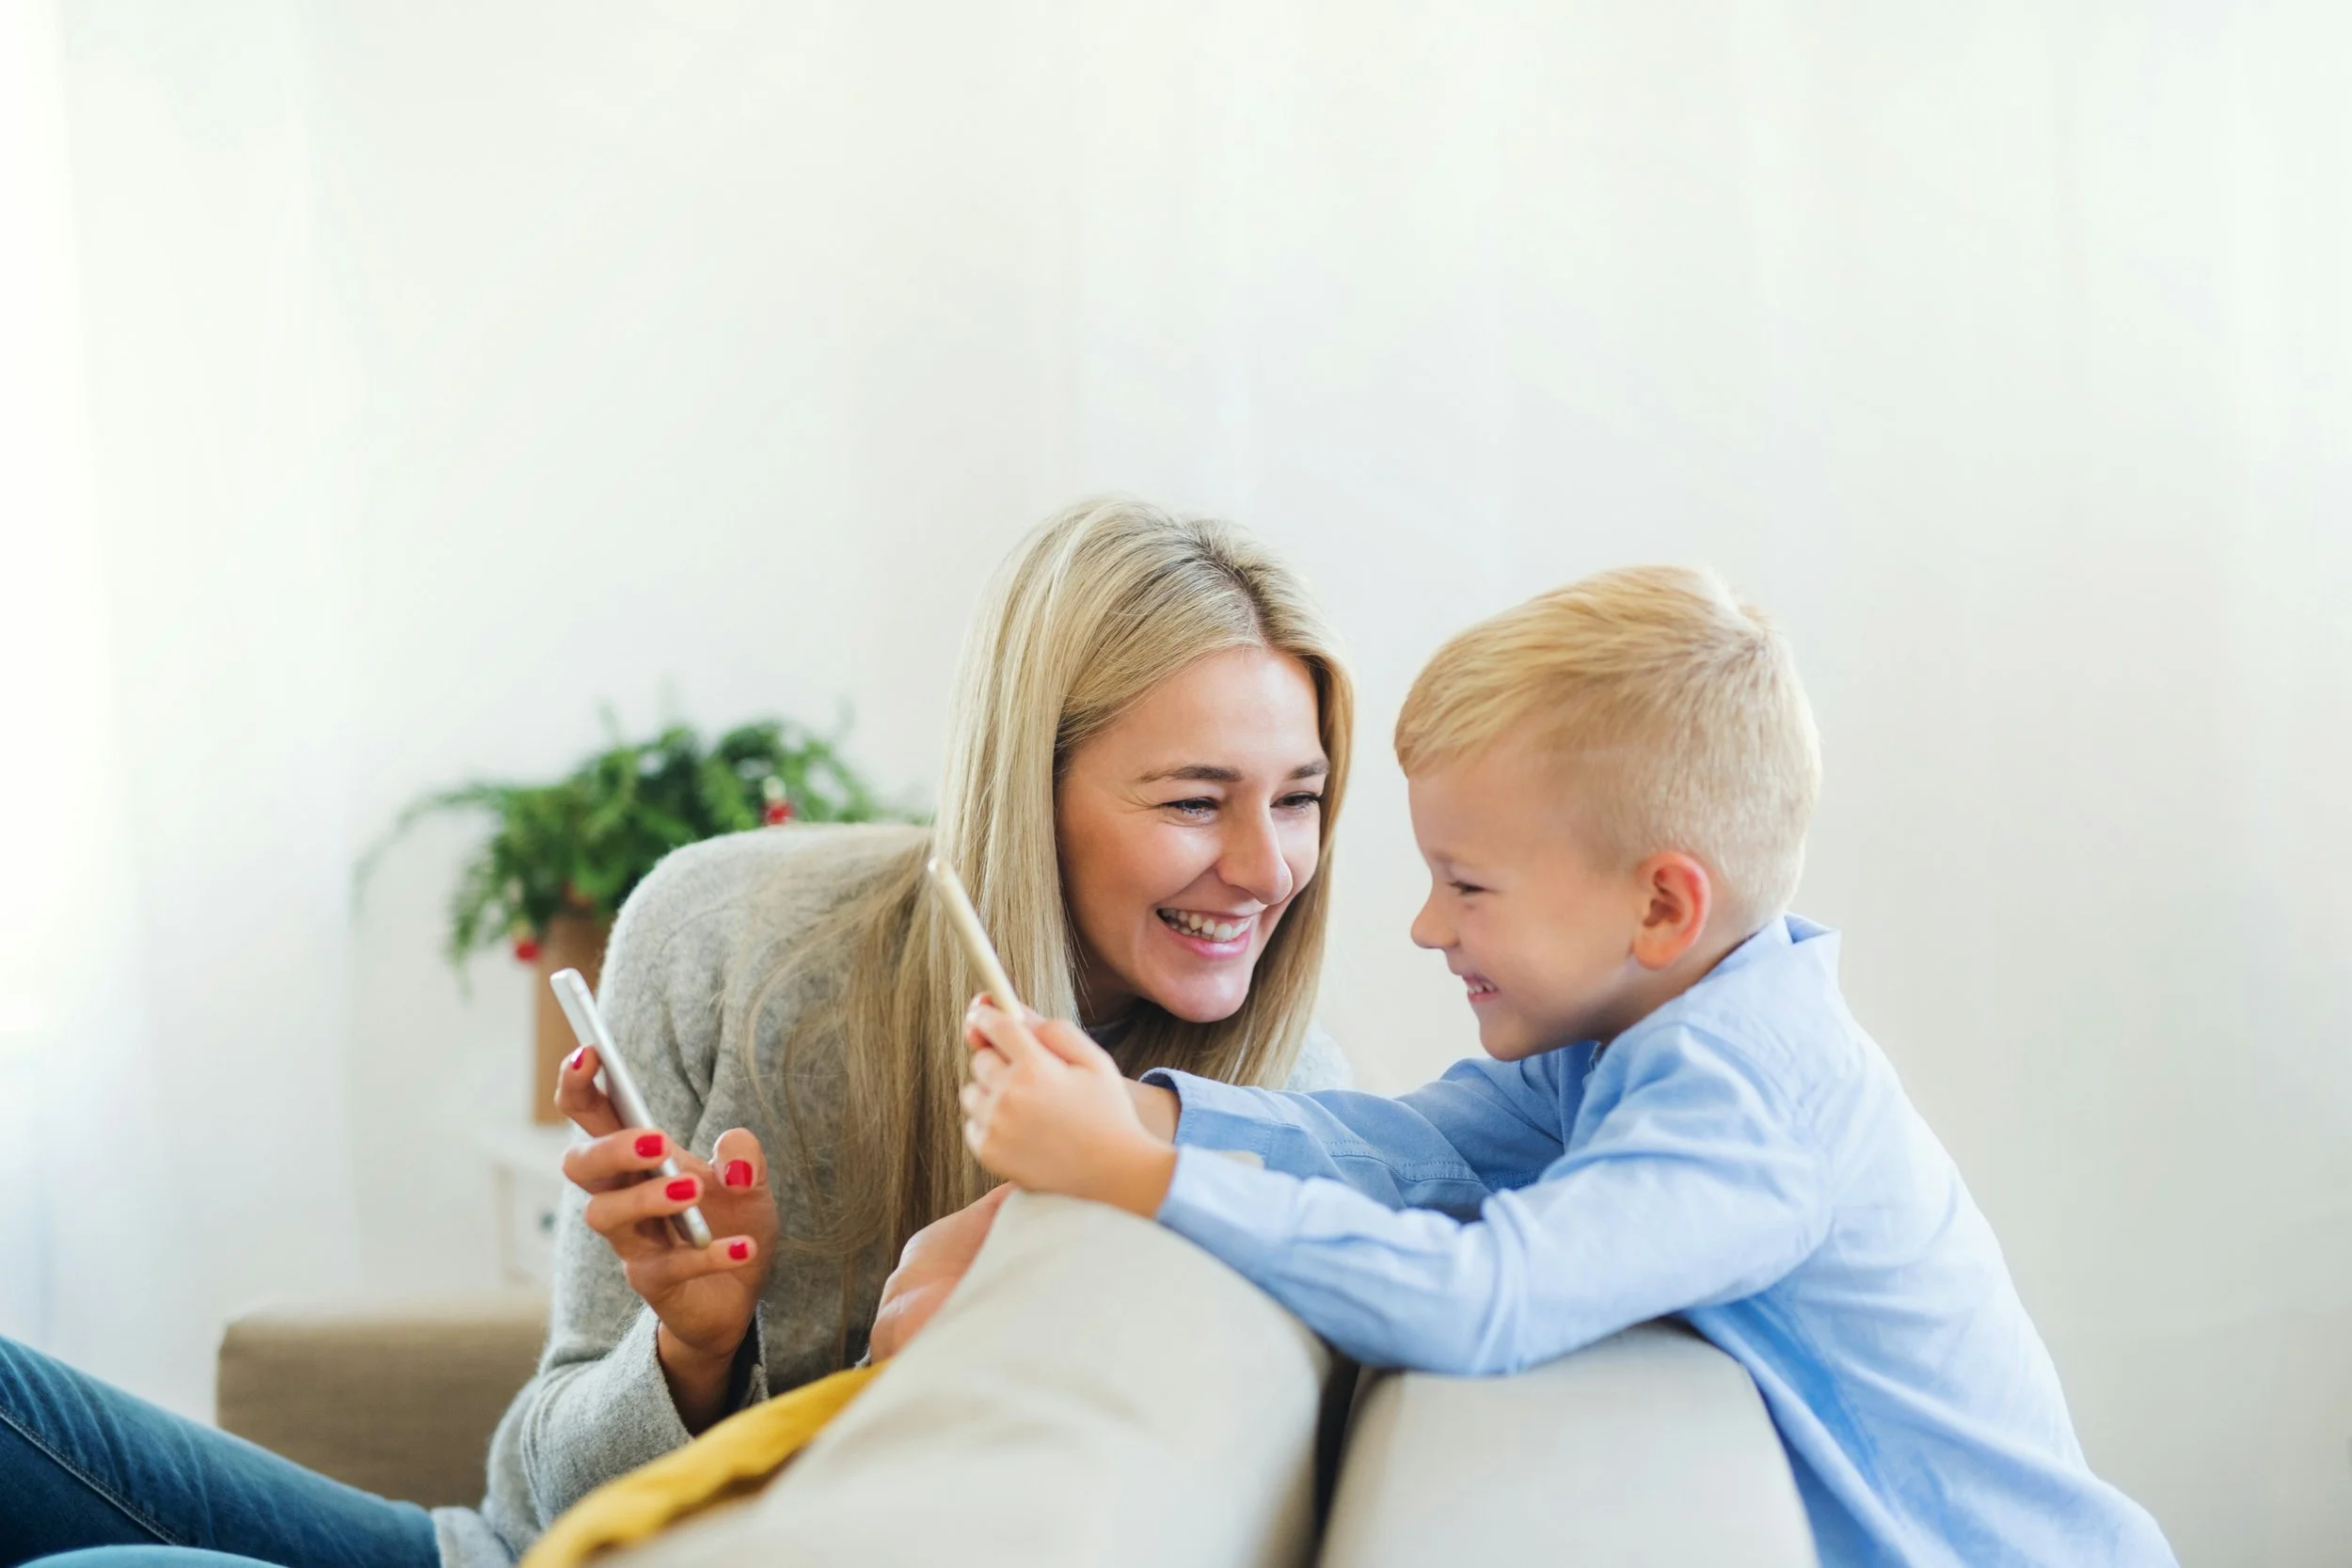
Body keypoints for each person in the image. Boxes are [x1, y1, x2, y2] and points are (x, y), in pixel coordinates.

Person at [0, 496, 1357, 1568]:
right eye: (1196, 801)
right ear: (1026, 788)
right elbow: (525, 1500)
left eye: (1299, 797)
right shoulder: (732, 931)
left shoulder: (1276, 1130)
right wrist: (686, 1353)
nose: (1266, 864)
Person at [961, 565, 2179, 1567]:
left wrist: (1133, 1173)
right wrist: (1148, 1109)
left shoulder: (1746, 1094)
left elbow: (1484, 1298)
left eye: (1468, 884)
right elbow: (1409, 1151)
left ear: (1661, 905)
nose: (1428, 927)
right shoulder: (1626, 1037)